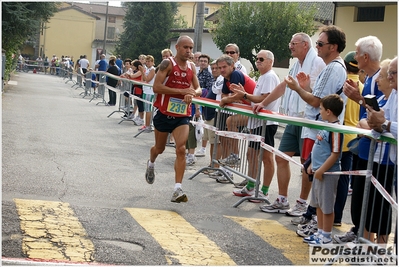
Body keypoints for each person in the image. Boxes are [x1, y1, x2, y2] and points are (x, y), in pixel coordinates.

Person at [253, 32, 325, 217]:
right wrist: (263, 102)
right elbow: (284, 86)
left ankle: (302, 203)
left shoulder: (317, 63)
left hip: (308, 120)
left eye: (294, 43)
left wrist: (302, 87)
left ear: (305, 45)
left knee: (305, 163)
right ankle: (282, 200)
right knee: (281, 157)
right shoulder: (296, 65)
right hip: (293, 118)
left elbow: (317, 94)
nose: (290, 46)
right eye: (290, 43)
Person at [335, 35, 384, 244]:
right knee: (360, 199)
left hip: (380, 154)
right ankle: (361, 235)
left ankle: (372, 244)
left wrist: (359, 100)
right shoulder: (371, 79)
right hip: (365, 147)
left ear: (365, 56)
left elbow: (377, 117)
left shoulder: (381, 80)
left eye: (356, 53)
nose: (354, 57)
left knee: (375, 203)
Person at [145, 35, 202, 203]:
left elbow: (198, 88)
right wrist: (182, 92)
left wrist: (193, 93)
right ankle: (151, 161)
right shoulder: (167, 64)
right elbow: (156, 87)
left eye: (191, 48)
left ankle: (178, 188)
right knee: (159, 148)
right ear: (177, 47)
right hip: (164, 113)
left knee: (181, 149)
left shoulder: (192, 66)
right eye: (186, 47)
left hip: (182, 116)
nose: (189, 51)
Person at [229, 50, 280, 202]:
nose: (258, 61)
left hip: (267, 123)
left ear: (270, 61)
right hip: (257, 122)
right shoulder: (263, 76)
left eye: (261, 59)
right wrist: (244, 95)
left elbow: (264, 98)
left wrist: (244, 95)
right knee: (251, 154)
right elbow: (255, 101)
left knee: (266, 158)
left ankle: (264, 191)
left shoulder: (270, 76)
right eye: (256, 58)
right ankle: (251, 186)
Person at [302, 94, 344, 246]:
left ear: (329, 111)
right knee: (318, 204)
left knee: (326, 206)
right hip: (318, 172)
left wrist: (321, 170)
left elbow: (335, 153)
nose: (319, 111)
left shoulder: (336, 129)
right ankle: (320, 232)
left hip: (328, 173)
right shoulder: (325, 127)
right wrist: (313, 165)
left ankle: (326, 235)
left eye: (320, 109)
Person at [210, 54, 256, 182]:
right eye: (220, 67)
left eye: (224, 67)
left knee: (231, 122)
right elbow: (225, 94)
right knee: (227, 134)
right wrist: (230, 98)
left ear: (232, 66)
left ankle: (235, 156)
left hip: (257, 109)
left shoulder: (236, 74)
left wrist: (229, 99)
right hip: (249, 108)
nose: (222, 70)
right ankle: (233, 168)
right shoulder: (226, 78)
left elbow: (233, 95)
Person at [333, 51, 364, 227]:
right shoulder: (362, 86)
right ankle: (337, 217)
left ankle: (327, 215)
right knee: (345, 179)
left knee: (330, 179)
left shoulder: (344, 84)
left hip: (339, 133)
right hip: (353, 135)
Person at [193, 54, 214, 159]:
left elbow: (208, 90)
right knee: (202, 125)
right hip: (198, 101)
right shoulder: (199, 73)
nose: (203, 63)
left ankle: (204, 148)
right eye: (201, 61)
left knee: (205, 124)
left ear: (208, 63)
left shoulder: (208, 75)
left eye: (205, 61)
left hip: (204, 103)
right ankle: (202, 147)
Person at [138, 55, 156, 133]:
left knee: (148, 109)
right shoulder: (147, 69)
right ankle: (146, 124)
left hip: (150, 91)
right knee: (146, 109)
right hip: (145, 90)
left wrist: (142, 71)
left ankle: (148, 126)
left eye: (149, 61)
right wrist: (143, 71)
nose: (148, 63)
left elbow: (148, 79)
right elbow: (143, 79)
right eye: (147, 61)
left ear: (152, 62)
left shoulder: (152, 70)